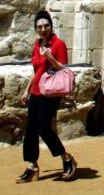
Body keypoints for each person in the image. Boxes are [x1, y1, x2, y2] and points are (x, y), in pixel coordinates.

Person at [17, 10, 77, 183]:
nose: (43, 29)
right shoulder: (37, 44)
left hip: (51, 92)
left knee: (43, 127)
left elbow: (63, 68)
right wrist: (26, 90)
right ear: (36, 29)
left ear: (51, 26)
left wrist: (50, 57)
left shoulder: (58, 44)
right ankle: (32, 166)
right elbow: (36, 71)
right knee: (31, 130)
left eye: (46, 26)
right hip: (37, 90)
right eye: (39, 27)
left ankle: (66, 158)